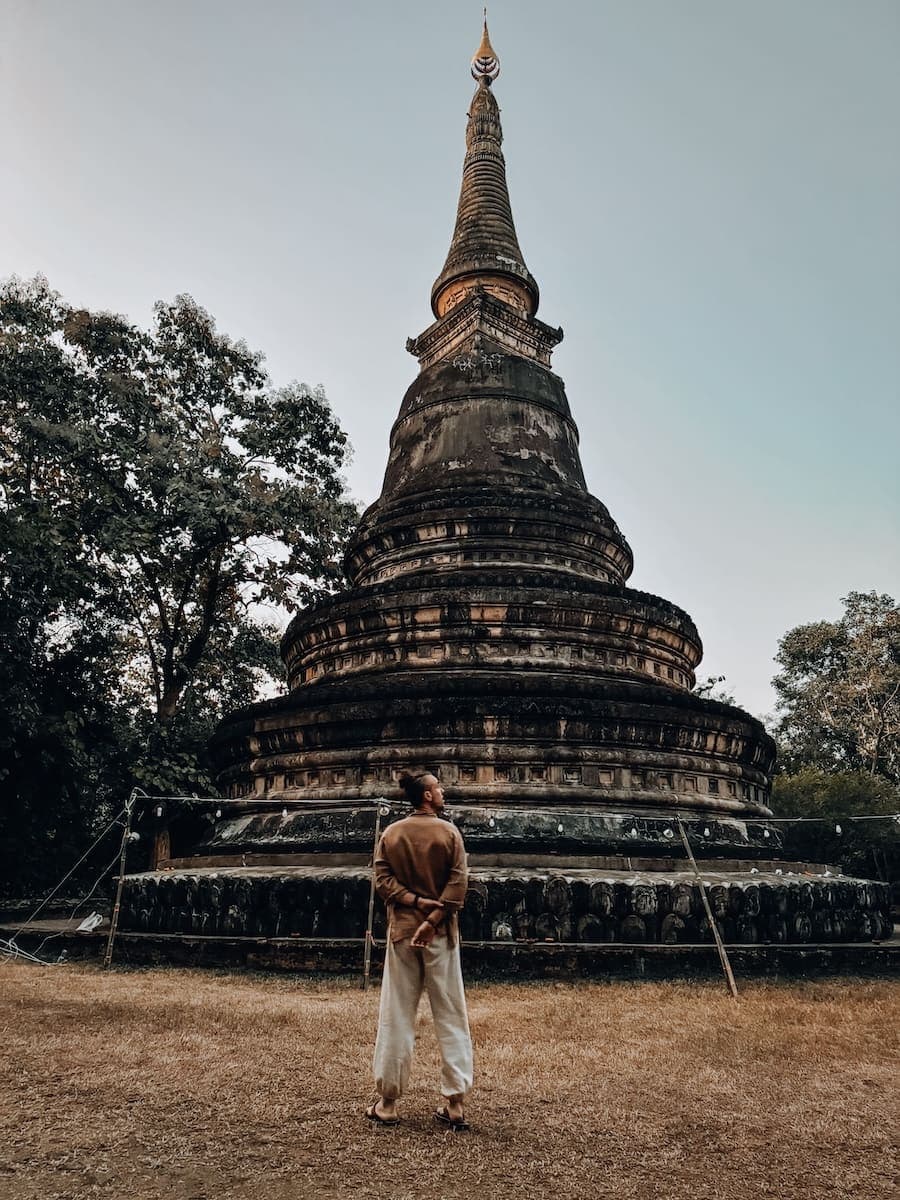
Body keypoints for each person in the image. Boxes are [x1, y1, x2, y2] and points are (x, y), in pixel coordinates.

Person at [367, 769, 473, 1131]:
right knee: (451, 1014)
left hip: (403, 933)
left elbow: (383, 882)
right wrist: (435, 918)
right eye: (438, 788)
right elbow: (459, 882)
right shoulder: (448, 833)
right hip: (441, 935)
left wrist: (416, 906)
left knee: (396, 1014)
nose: (442, 792)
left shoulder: (392, 833)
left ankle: (388, 1102)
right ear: (427, 795)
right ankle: (455, 1102)